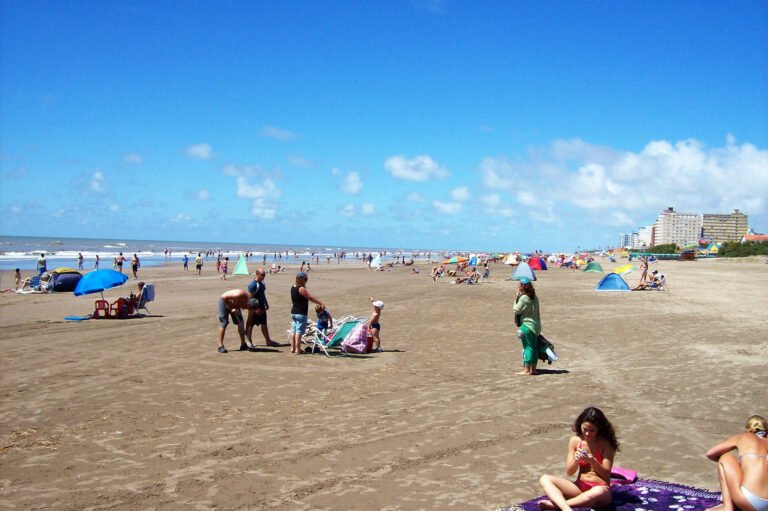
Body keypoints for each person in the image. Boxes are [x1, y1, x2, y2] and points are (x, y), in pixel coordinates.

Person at [538, 407, 619, 511]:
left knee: (598, 492)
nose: (587, 434)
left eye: (592, 430)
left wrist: (592, 461)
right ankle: (566, 508)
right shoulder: (575, 441)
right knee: (545, 479)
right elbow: (570, 472)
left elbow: (606, 474)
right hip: (580, 487)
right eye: (585, 429)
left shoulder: (606, 444)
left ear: (599, 429)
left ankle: (557, 505)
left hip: (600, 488)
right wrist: (576, 460)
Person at [705, 415, 768, 511]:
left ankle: (727, 507)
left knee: (725, 458)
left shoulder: (743, 437)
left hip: (750, 501)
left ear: (747, 430)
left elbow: (710, 453)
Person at [289, 272, 325, 354]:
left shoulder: (293, 287)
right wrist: (320, 303)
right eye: (305, 279)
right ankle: (298, 349)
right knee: (299, 331)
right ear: (301, 280)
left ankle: (293, 348)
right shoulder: (301, 289)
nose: (306, 281)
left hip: (294, 311)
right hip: (301, 312)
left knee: (293, 330)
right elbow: (310, 297)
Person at [513, 277, 541, 375]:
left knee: (528, 347)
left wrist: (516, 298)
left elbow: (516, 310)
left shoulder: (524, 298)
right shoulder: (535, 297)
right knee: (534, 347)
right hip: (536, 325)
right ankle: (533, 369)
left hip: (527, 325)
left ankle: (527, 369)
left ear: (523, 287)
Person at [217, 289, 259, 353]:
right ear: (247, 304)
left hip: (235, 305)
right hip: (224, 301)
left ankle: (243, 344)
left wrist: (247, 330)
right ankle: (220, 346)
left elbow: (249, 320)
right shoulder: (240, 295)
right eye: (248, 308)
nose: (249, 310)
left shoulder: (252, 307)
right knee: (224, 322)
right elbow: (224, 298)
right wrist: (231, 308)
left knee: (241, 322)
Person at [246, 268, 280, 347]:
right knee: (251, 325)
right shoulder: (253, 285)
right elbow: (250, 298)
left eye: (264, 274)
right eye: (262, 275)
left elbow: (263, 294)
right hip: (254, 308)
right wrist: (256, 309)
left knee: (264, 324)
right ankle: (249, 341)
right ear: (257, 274)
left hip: (262, 307)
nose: (264, 276)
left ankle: (268, 341)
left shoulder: (262, 283)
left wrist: (266, 303)